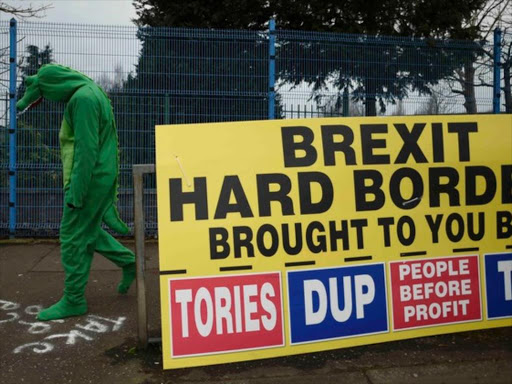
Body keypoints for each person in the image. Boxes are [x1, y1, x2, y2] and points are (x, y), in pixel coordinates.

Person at [16, 64, 136, 321]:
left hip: (88, 180)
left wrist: (77, 194)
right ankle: (129, 262)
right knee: (88, 230)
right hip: (99, 177)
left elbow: (86, 149)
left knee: (71, 236)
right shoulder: (92, 93)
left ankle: (74, 299)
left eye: (45, 94)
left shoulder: (82, 100)